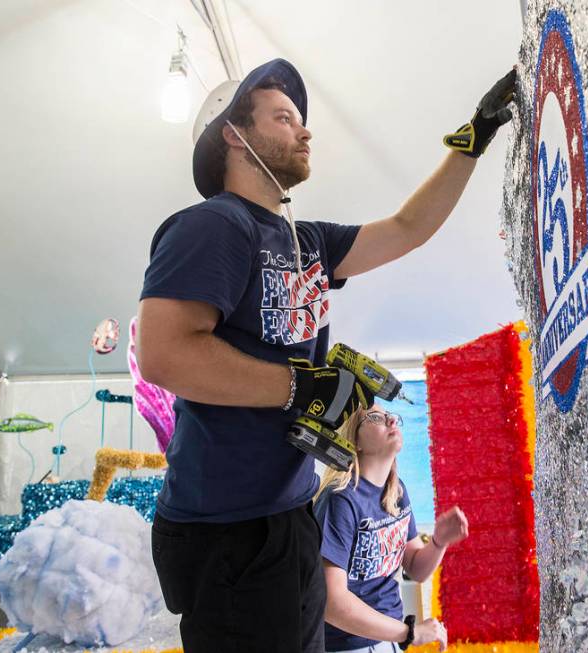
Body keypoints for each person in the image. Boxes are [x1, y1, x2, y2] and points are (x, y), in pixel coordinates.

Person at [137, 57, 516, 653]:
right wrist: (299, 388)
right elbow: (162, 354)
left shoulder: (304, 239)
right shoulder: (212, 227)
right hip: (227, 529)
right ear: (235, 137)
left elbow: (408, 227)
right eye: (284, 118)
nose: (305, 130)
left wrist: (475, 136)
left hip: (289, 512)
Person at [315, 404, 468, 652]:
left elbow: (416, 568)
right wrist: (408, 632)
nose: (391, 422)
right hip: (346, 646)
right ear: (355, 441)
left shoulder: (395, 492)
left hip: (389, 641)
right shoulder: (340, 501)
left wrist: (439, 541)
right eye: (375, 417)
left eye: (391, 416)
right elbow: (332, 603)